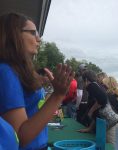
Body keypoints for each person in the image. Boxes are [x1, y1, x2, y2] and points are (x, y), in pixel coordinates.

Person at [0, 12, 73, 149]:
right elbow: (21, 136)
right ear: (14, 35)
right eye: (33, 33)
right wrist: (57, 96)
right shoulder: (6, 72)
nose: (39, 39)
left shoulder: (16, 70)